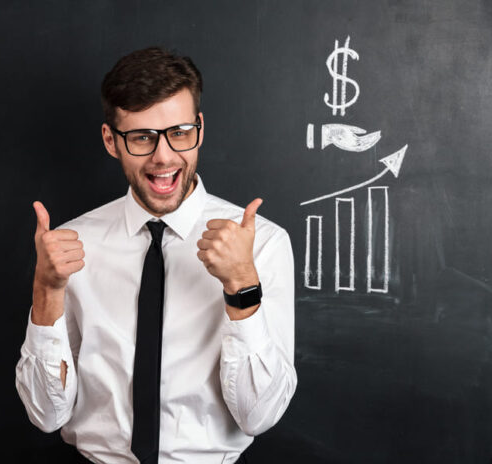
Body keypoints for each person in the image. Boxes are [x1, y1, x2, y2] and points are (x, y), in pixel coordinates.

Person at [15, 46, 297, 464]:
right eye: (142, 137)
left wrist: (241, 286)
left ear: (199, 128)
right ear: (112, 140)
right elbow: (45, 414)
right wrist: (46, 291)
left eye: (179, 132)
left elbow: (259, 416)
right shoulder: (71, 246)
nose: (164, 156)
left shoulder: (264, 244)